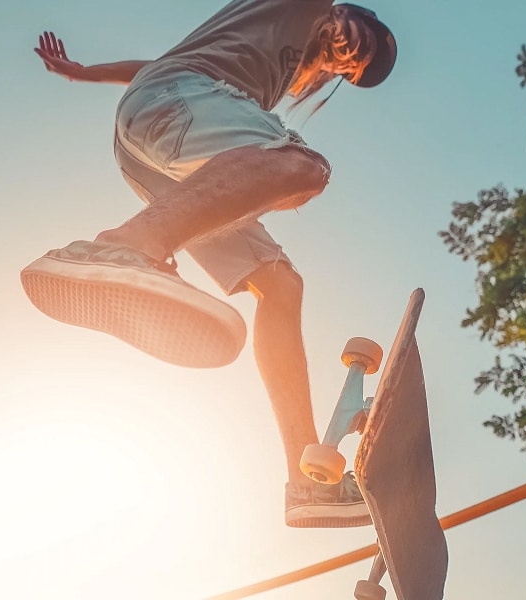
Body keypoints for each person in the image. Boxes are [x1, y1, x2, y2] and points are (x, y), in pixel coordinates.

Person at [20, 0, 396, 528]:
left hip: (162, 138)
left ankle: (305, 483)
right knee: (300, 167)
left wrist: (83, 74)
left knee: (281, 285)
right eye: (360, 44)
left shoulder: (275, 72)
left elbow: (149, 66)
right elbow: (170, 75)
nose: (347, 60)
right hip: (174, 101)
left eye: (351, 70)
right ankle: (120, 246)